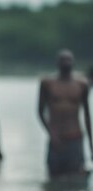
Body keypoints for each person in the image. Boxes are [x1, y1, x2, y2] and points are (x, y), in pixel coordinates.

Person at [38, 49, 92, 177]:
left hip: (75, 137)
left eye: (68, 60)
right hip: (56, 139)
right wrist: (51, 134)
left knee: (76, 178)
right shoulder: (47, 84)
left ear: (73, 63)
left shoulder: (81, 84)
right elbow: (40, 112)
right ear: (57, 63)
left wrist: (91, 145)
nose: (66, 63)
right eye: (63, 60)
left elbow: (87, 115)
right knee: (54, 178)